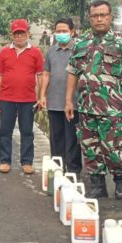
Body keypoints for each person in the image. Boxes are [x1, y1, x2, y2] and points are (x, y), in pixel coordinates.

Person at [65, 0, 122, 199]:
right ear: (90, 18)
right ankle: (98, 185)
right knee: (90, 148)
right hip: (86, 106)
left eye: (103, 15)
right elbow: (73, 72)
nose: (99, 19)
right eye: (94, 16)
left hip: (113, 108)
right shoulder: (81, 43)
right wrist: (68, 101)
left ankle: (120, 181)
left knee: (114, 146)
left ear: (110, 17)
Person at [0, 19, 44, 175]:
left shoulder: (35, 52)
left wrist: (41, 96)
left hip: (28, 99)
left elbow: (40, 76)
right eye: (16, 34)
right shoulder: (4, 52)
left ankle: (27, 162)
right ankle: (5, 160)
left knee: (27, 132)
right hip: (7, 98)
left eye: (22, 33)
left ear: (27, 33)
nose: (20, 36)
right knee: (5, 131)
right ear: (12, 35)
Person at [38, 17, 82, 175]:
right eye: (58, 31)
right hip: (54, 102)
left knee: (72, 139)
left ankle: (73, 172)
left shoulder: (79, 49)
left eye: (64, 31)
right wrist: (42, 95)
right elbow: (46, 74)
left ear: (72, 32)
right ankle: (57, 170)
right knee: (56, 139)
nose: (61, 34)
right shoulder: (51, 51)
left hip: (74, 103)